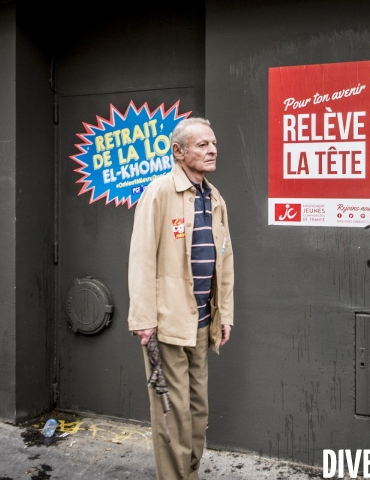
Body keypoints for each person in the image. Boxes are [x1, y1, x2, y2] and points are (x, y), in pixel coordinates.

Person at [127, 117, 234, 480]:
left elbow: (225, 258)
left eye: (214, 143)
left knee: (198, 412)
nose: (212, 149)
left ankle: (189, 473)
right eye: (202, 144)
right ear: (178, 151)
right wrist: (143, 318)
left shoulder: (214, 197)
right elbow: (141, 257)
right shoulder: (159, 192)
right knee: (174, 414)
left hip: (202, 325)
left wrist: (226, 315)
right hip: (167, 324)